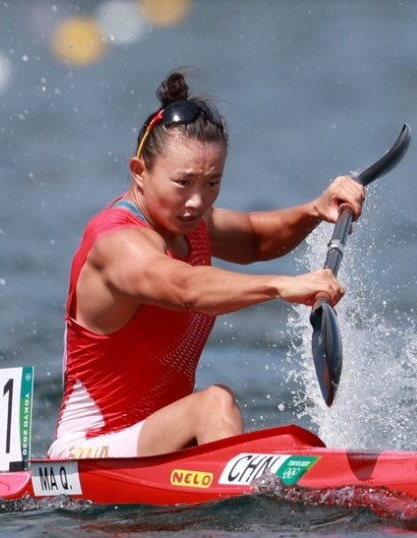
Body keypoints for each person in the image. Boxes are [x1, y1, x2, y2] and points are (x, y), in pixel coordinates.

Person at [47, 70, 365, 460]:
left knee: (253, 424)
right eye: (184, 183)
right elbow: (186, 289)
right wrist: (281, 286)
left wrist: (316, 209)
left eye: (212, 183)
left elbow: (254, 237)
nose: (198, 201)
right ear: (139, 172)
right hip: (88, 452)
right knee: (215, 403)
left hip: (155, 444)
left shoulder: (189, 222)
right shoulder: (117, 243)